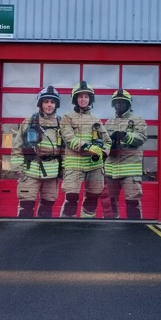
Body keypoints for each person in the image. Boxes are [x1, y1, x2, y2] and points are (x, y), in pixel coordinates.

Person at [9, 86, 63, 218]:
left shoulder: (61, 124)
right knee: (25, 208)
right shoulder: (28, 122)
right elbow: (17, 146)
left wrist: (65, 170)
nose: (49, 105)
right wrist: (18, 169)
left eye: (52, 102)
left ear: (56, 105)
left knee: (47, 208)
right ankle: (22, 237)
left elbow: (66, 150)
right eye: (46, 101)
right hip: (29, 172)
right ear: (40, 103)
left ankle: (41, 236)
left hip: (52, 173)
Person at [59, 80, 110, 218]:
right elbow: (69, 138)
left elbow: (107, 141)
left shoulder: (96, 119)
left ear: (90, 99)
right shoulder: (67, 118)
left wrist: (103, 152)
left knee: (92, 198)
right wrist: (88, 147)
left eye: (86, 96)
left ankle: (87, 224)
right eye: (80, 96)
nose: (83, 99)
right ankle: (64, 226)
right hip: (74, 164)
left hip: (94, 165)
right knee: (71, 198)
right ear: (75, 99)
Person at [103, 88, 148, 219]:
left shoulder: (138, 120)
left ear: (128, 104)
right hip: (111, 170)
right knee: (110, 204)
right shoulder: (109, 122)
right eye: (116, 102)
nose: (119, 104)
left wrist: (125, 135)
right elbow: (103, 142)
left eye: (122, 102)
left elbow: (141, 137)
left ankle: (135, 231)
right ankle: (109, 230)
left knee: (132, 203)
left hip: (130, 170)